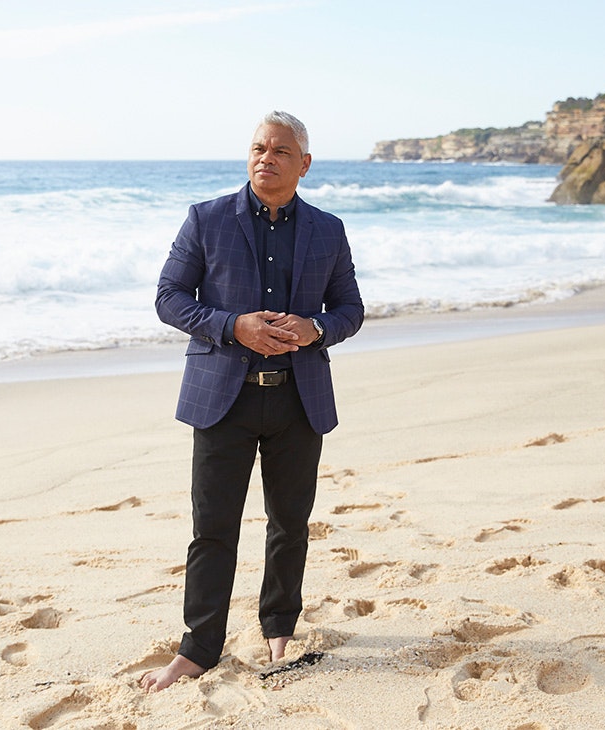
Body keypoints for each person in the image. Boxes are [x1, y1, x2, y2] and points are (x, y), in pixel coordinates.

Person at [143, 111, 364, 692]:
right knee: (212, 528)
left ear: (304, 164)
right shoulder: (207, 218)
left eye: (281, 151)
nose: (266, 158)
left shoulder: (328, 229)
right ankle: (198, 648)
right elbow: (168, 297)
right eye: (259, 148)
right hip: (223, 398)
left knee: (290, 524)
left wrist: (317, 328)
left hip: (299, 400)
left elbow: (350, 309)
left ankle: (279, 631)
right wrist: (231, 325)